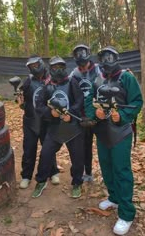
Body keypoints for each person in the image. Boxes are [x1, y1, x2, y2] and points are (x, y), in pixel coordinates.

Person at [85, 46, 143, 235]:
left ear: (117, 57)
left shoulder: (127, 77)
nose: (107, 60)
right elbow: (88, 102)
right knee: (106, 167)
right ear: (99, 60)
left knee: (122, 170)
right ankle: (114, 198)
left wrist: (123, 115)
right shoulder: (96, 78)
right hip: (102, 132)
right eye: (103, 57)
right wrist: (96, 113)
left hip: (121, 132)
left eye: (110, 56)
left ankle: (126, 213)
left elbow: (137, 101)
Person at [32, 56, 85, 199]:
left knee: (78, 157)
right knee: (46, 154)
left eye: (61, 67)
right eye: (55, 68)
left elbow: (80, 101)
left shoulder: (73, 82)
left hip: (72, 127)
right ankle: (41, 181)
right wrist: (51, 113)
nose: (59, 70)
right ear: (50, 69)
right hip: (55, 127)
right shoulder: (47, 86)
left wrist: (71, 113)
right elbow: (39, 105)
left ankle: (77, 182)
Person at [18, 55, 60, 189]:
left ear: (41, 64)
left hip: (47, 121)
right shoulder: (28, 81)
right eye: (31, 66)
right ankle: (26, 176)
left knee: (48, 149)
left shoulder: (52, 79)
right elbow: (21, 97)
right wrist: (20, 102)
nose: (34, 68)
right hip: (30, 120)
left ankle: (53, 172)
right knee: (29, 149)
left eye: (36, 65)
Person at [70, 44, 101, 182]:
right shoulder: (74, 74)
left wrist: (125, 72)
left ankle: (108, 175)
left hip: (100, 115)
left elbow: (113, 78)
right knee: (85, 146)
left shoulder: (99, 70)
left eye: (83, 53)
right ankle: (88, 173)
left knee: (105, 145)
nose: (81, 56)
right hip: (83, 117)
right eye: (78, 54)